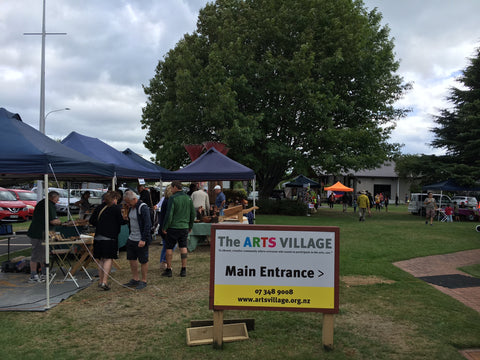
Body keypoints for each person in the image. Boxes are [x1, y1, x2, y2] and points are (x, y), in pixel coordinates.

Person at [89, 191, 126, 290]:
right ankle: (104, 282)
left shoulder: (99, 207)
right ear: (114, 199)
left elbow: (91, 221)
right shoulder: (116, 208)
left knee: (101, 259)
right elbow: (121, 221)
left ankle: (101, 281)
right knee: (108, 258)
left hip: (98, 237)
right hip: (110, 237)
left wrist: (101, 224)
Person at [161, 181, 195, 278]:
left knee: (169, 248)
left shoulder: (173, 198)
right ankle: (183, 269)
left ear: (175, 187)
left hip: (173, 227)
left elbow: (169, 214)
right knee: (183, 247)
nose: (171, 190)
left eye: (171, 188)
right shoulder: (188, 198)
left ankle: (169, 269)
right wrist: (190, 226)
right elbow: (193, 214)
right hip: (184, 227)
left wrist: (165, 227)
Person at [27, 190, 62, 283]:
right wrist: (61, 222)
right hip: (38, 233)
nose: (58, 200)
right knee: (36, 254)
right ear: (53, 197)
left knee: (44, 253)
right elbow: (53, 220)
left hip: (42, 232)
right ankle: (33, 275)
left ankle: (44, 272)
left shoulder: (45, 203)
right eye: (57, 198)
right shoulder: (48, 204)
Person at [122, 190, 152, 290]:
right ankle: (135, 278)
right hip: (132, 237)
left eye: (128, 202)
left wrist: (143, 239)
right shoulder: (131, 208)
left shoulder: (143, 207)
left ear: (134, 199)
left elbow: (148, 224)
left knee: (143, 260)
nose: (127, 204)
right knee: (132, 259)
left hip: (141, 238)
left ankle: (144, 280)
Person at [158, 185, 173, 270]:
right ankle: (164, 261)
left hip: (163, 225)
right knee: (170, 246)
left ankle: (163, 262)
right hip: (166, 227)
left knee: (165, 245)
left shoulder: (165, 200)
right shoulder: (168, 201)